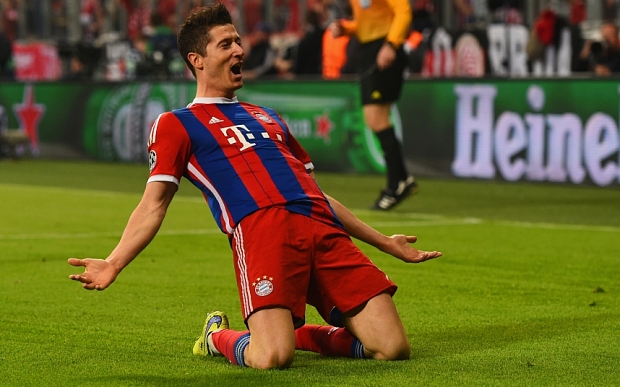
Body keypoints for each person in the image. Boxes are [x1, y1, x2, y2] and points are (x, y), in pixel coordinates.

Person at [67, 3, 442, 370]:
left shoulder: (267, 116)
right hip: (262, 230)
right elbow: (154, 205)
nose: (240, 50)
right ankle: (217, 337)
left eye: (238, 41)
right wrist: (114, 262)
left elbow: (317, 194)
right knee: (271, 358)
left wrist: (384, 242)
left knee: (392, 347)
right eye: (226, 44)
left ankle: (297, 334)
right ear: (197, 60)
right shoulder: (175, 124)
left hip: (321, 227)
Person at [329, 0, 417, 211]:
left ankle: (397, 184)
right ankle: (401, 180)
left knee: (376, 118)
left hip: (383, 48)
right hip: (369, 50)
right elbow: (368, 23)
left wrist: (391, 44)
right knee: (378, 119)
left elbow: (403, 11)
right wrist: (346, 28)